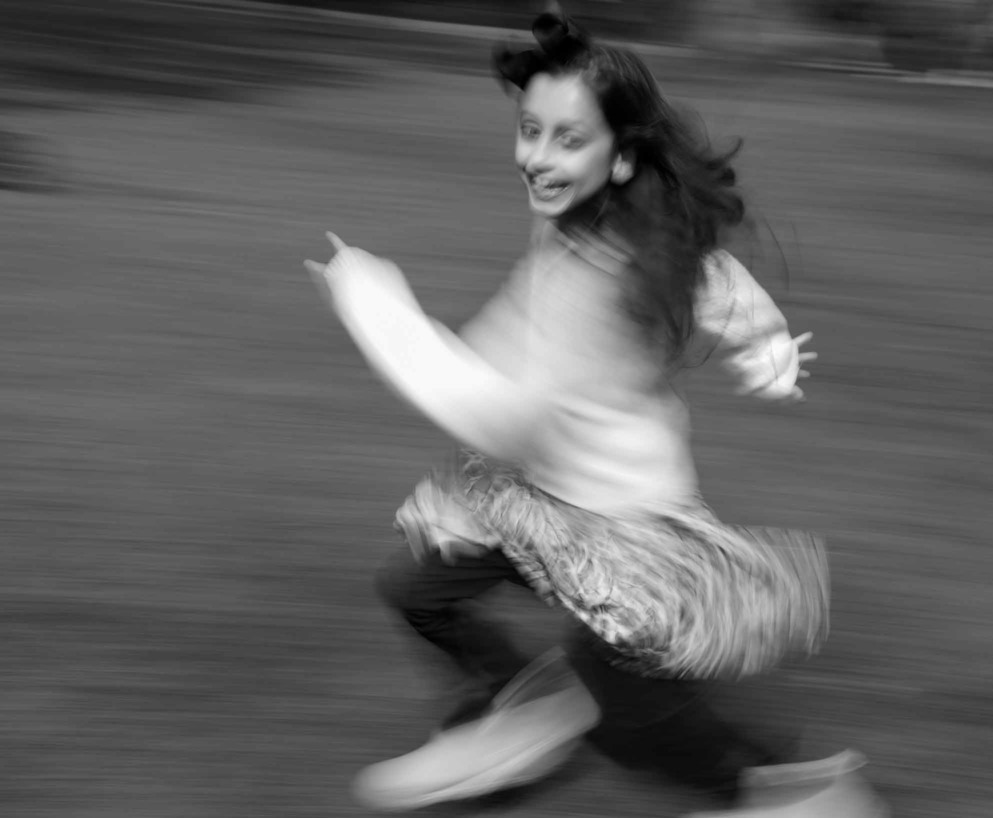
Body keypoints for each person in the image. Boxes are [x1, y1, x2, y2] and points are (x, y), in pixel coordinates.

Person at [307, 10, 885, 817]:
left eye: (566, 139)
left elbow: (505, 420)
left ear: (620, 158)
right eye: (530, 130)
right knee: (419, 592)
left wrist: (377, 308)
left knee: (636, 725)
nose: (537, 158)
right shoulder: (604, 229)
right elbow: (710, 282)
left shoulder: (604, 276)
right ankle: (523, 711)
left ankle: (795, 796)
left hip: (623, 529)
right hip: (549, 502)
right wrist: (768, 348)